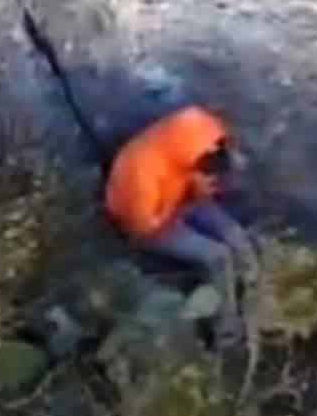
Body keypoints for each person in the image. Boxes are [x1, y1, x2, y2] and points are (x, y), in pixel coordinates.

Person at [104, 104, 260, 350]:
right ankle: (227, 331)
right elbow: (140, 226)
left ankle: (256, 294)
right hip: (152, 223)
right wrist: (181, 218)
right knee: (219, 257)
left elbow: (215, 152)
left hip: (180, 195)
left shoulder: (196, 130)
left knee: (234, 235)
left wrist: (200, 187)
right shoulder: (140, 172)